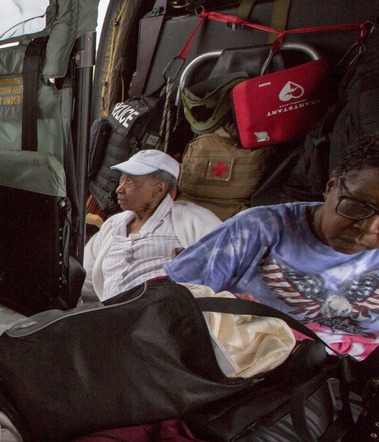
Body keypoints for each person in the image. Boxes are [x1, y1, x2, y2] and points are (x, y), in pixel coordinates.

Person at [166, 133, 379, 360]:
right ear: (331, 185)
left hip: (341, 380)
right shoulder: (256, 230)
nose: (368, 227)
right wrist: (222, 314)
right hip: (249, 370)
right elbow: (171, 305)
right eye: (355, 206)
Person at [81, 149, 221, 302]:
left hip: (161, 319)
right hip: (112, 318)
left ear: (159, 189)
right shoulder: (113, 226)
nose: (119, 189)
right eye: (121, 180)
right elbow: (83, 278)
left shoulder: (192, 220)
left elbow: (228, 264)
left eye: (130, 182)